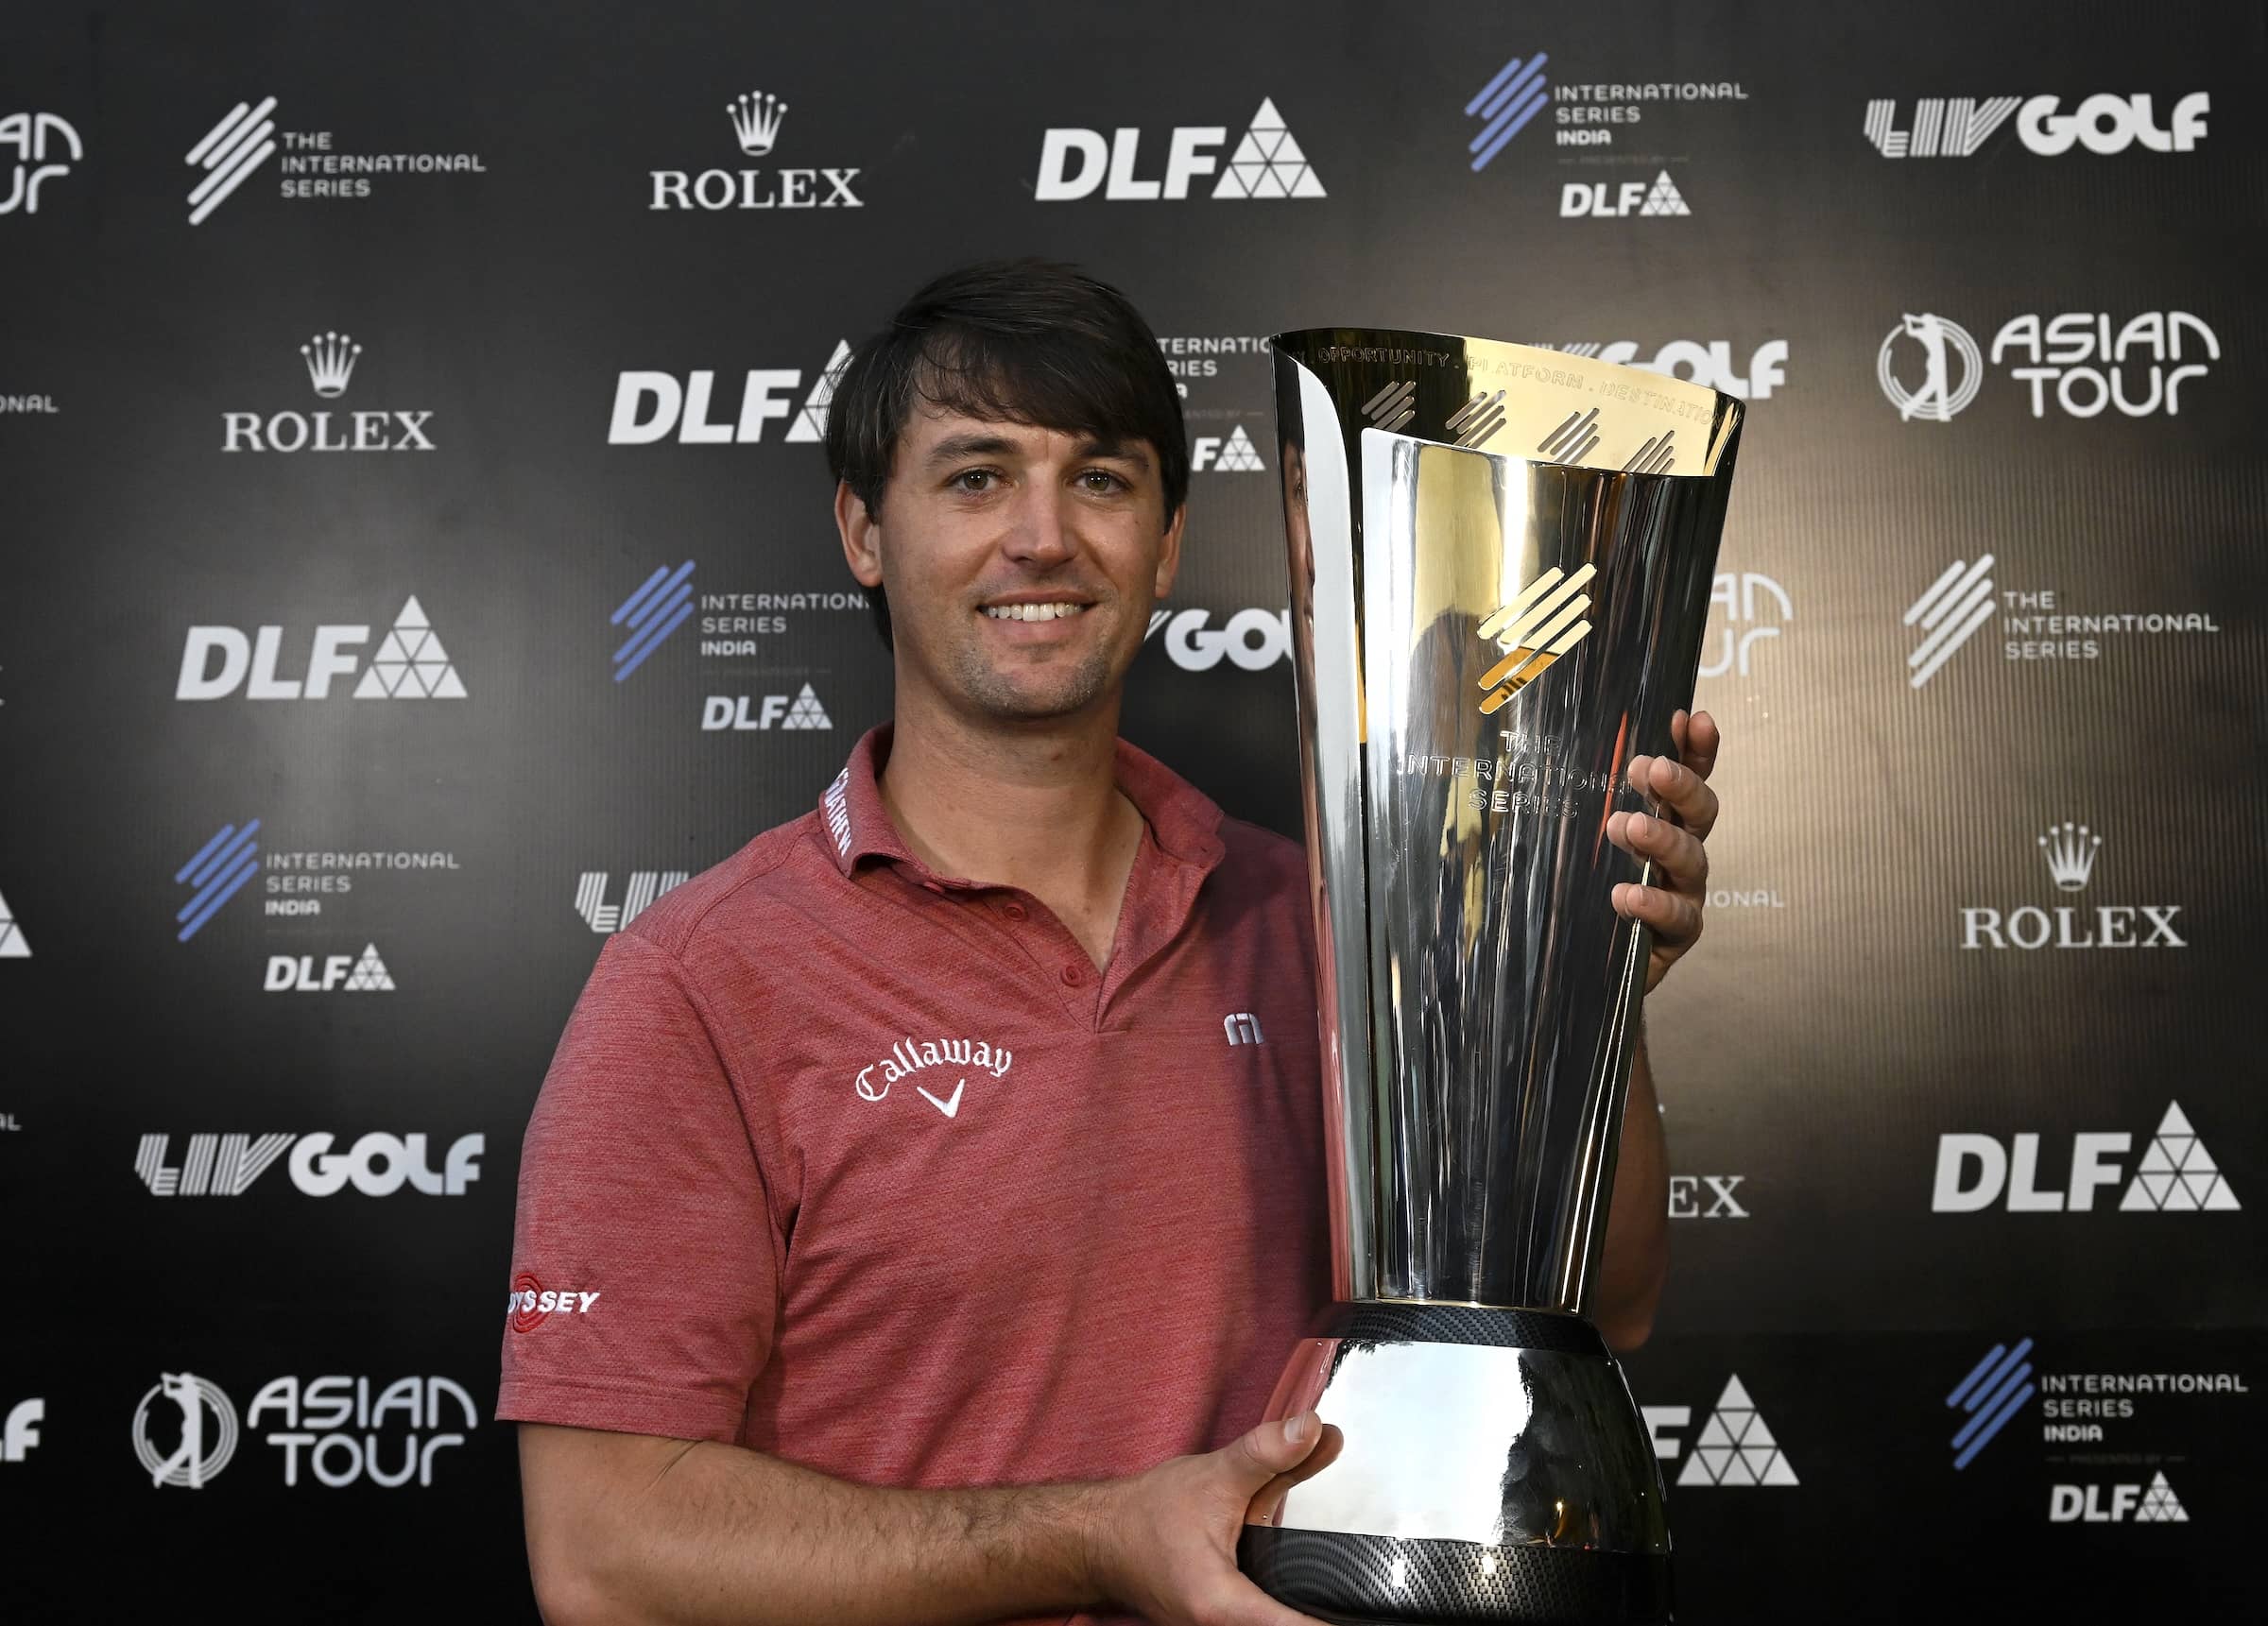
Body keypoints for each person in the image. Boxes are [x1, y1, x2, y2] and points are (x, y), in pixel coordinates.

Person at [500, 260, 1724, 1626]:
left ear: (1169, 538)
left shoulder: (1327, 923)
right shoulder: (698, 983)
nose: (1042, 538)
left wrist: (1587, 977)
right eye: (975, 479)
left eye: (1099, 478)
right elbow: (606, 1555)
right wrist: (1098, 1534)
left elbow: (1602, 1307)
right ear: (862, 529)